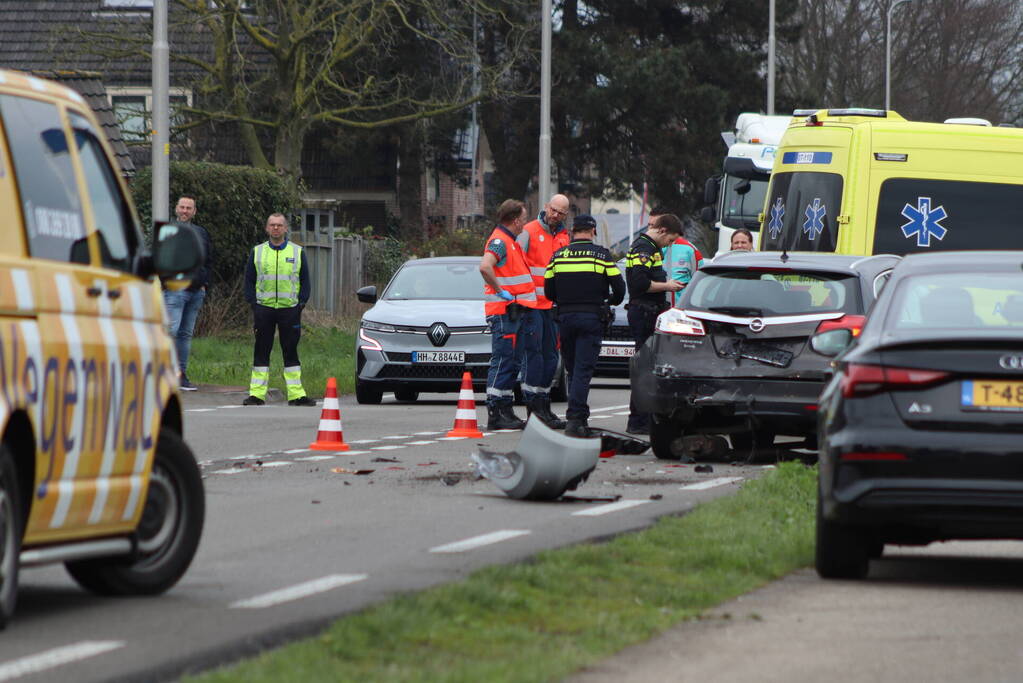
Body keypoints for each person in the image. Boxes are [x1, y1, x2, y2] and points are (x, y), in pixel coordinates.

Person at [544, 214, 625, 437]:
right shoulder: (601, 255)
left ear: (572, 232)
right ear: (593, 231)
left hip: (565, 319)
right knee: (582, 371)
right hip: (591, 319)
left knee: (572, 370)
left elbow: (549, 292)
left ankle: (578, 417)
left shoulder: (558, 256)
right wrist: (610, 301)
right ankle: (575, 420)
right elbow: (620, 288)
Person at [242, 213, 315, 407]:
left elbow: (305, 280)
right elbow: (249, 280)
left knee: (290, 351)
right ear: (267, 228)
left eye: (279, 225)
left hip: (289, 310)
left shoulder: (297, 251)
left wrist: (301, 304)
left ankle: (296, 395)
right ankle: (256, 395)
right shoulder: (257, 251)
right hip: (263, 309)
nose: (275, 228)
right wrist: (254, 304)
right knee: (261, 351)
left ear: (285, 228)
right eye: (272, 225)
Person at [479, 199, 537, 430]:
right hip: (504, 312)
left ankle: (505, 410)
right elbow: (485, 266)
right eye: (523, 219)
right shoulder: (500, 241)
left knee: (512, 362)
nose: (525, 223)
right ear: (515, 221)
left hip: (514, 312)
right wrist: (500, 291)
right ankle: (495, 411)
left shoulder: (510, 241)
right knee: (504, 360)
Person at [625, 213, 684, 434]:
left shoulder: (651, 247)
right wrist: (667, 286)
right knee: (644, 369)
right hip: (644, 312)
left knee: (648, 367)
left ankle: (643, 420)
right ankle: (638, 421)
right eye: (670, 240)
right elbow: (640, 283)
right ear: (662, 231)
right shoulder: (644, 248)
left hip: (648, 311)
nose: (669, 244)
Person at [516, 193, 571, 429]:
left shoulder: (564, 236)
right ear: (546, 206)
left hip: (552, 307)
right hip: (532, 306)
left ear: (565, 215)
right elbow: (515, 264)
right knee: (534, 357)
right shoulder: (528, 231)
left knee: (551, 358)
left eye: (560, 213)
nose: (555, 215)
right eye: (553, 209)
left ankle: (543, 405)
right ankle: (533, 409)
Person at [163, 195, 212, 391]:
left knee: (185, 335)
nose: (185, 211)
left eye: (188, 208)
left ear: (194, 211)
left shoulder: (201, 233)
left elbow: (208, 260)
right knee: (170, 332)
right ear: (176, 209)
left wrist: (205, 284)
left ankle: (181, 375)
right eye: (182, 207)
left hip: (196, 292)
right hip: (174, 291)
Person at [656, 206, 704, 307]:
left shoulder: (690, 249)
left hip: (681, 309)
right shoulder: (650, 249)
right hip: (654, 309)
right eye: (650, 225)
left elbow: (700, 283)